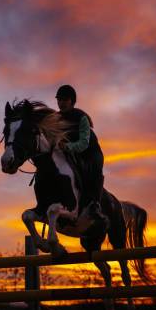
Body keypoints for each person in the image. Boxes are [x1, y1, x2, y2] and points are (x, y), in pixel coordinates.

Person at [55, 85, 104, 214]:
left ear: (72, 101)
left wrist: (67, 147)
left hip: (90, 153)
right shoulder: (55, 118)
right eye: (59, 100)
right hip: (70, 152)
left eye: (64, 100)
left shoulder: (82, 118)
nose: (61, 103)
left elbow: (83, 143)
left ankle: (95, 203)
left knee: (93, 171)